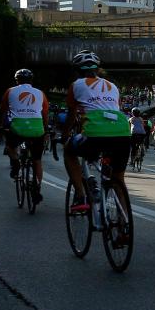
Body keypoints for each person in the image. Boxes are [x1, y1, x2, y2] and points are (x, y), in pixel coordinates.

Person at [62, 50, 132, 229]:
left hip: (94, 133)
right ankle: (124, 224)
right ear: (97, 69)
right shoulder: (112, 86)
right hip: (122, 132)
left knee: (69, 151)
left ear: (77, 70)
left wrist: (64, 135)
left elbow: (71, 115)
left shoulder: (76, 85)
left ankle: (80, 194)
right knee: (118, 179)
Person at [0, 69, 50, 202]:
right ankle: (37, 187)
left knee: (10, 147)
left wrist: (0, 125)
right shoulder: (40, 93)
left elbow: (3, 110)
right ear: (31, 81)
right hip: (37, 129)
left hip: (17, 128)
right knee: (37, 160)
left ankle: (15, 162)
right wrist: (45, 129)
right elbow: (45, 114)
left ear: (17, 80)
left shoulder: (10, 91)